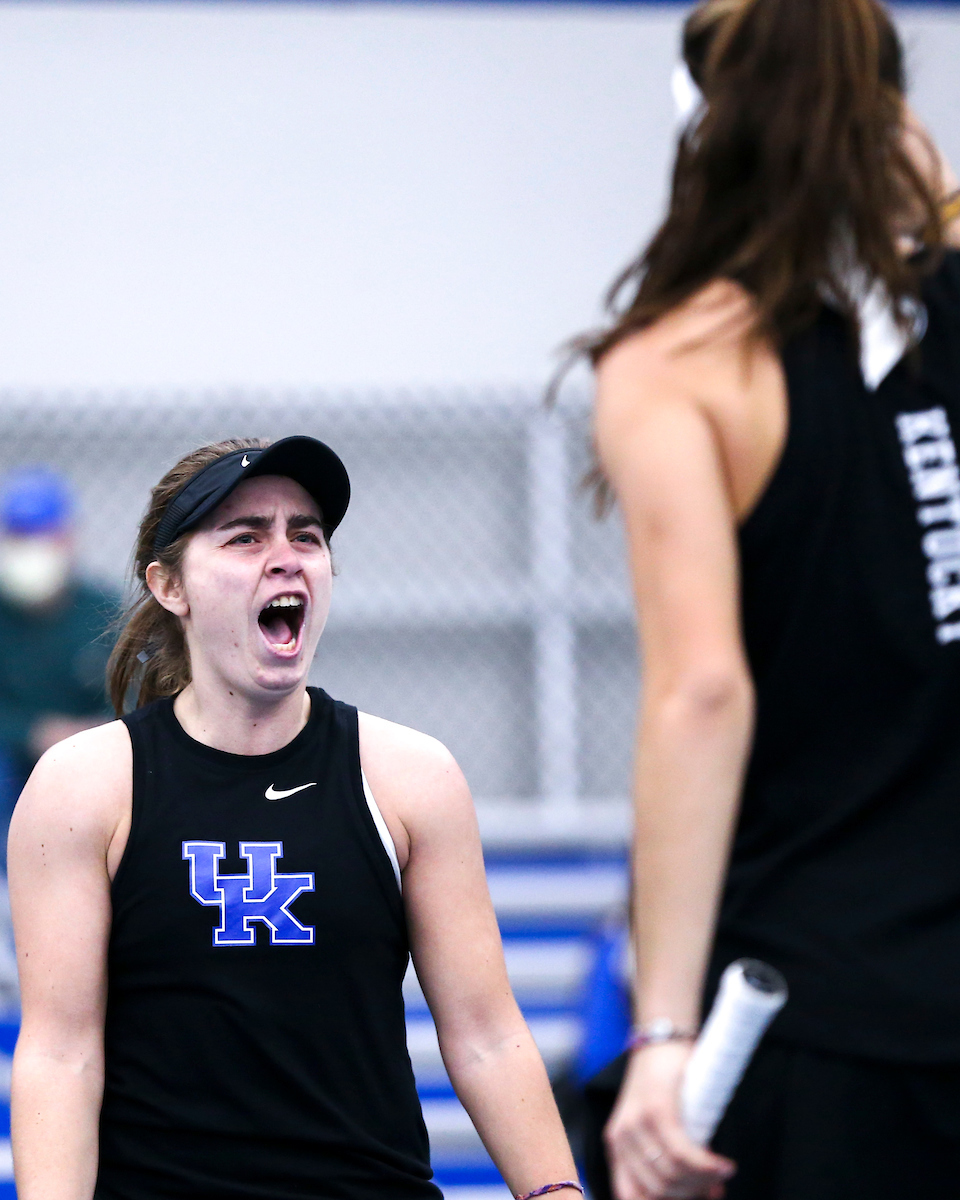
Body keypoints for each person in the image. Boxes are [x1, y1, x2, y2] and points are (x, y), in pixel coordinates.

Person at [582, 0, 960, 1197]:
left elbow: (702, 692)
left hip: (816, 1002)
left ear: (707, 128)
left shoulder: (679, 362)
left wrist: (662, 1034)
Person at [7, 436, 583, 1200]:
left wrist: (555, 1193)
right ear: (169, 586)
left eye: (305, 535)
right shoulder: (85, 787)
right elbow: (60, 1054)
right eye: (245, 537)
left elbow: (485, 1034)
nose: (285, 556)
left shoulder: (410, 778)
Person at [0, 468, 116, 835]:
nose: (32, 549)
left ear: (68, 538)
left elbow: (136, 693)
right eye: (20, 537)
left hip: (92, 757)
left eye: (44, 536)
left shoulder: (103, 612)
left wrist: (92, 734)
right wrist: (34, 732)